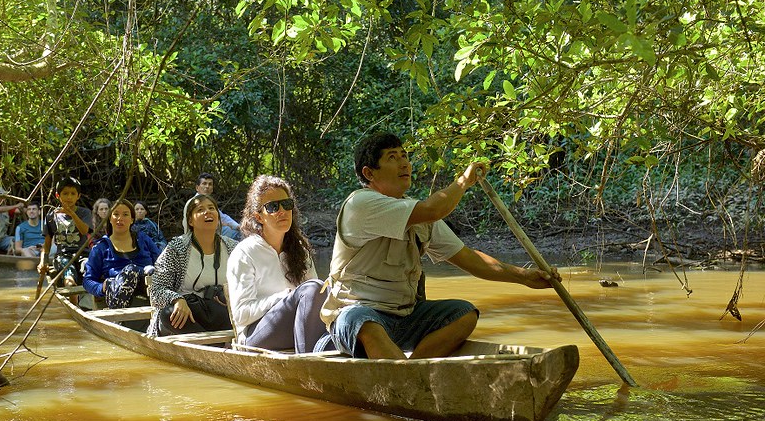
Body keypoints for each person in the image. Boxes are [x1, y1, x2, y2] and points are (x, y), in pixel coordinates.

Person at [320, 132, 560, 359]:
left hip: (405, 317)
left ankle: (414, 371)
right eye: (392, 158)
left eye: (404, 155)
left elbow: (470, 259)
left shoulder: (418, 216)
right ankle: (404, 378)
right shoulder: (360, 204)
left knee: (463, 314)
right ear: (369, 173)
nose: (404, 164)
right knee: (365, 322)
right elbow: (434, 208)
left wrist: (525, 277)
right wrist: (464, 181)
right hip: (354, 316)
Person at [227, 175, 329, 353]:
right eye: (273, 207)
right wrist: (282, 298)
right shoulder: (244, 253)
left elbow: (316, 298)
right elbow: (241, 315)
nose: (282, 211)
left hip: (297, 328)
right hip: (256, 335)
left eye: (287, 204)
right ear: (258, 216)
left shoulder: (300, 251)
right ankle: (309, 367)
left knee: (322, 293)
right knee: (312, 289)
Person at [148, 194, 238, 336]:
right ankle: (215, 346)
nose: (207, 212)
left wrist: (229, 297)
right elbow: (157, 290)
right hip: (188, 313)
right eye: (200, 209)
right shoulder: (177, 248)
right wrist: (177, 299)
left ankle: (214, 345)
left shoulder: (233, 248)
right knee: (168, 314)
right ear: (190, 220)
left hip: (219, 312)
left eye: (211, 208)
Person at [83, 199, 163, 309]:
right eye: (116, 214)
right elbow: (88, 281)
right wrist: (102, 287)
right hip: (118, 301)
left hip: (148, 295)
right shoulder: (101, 247)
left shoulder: (143, 239)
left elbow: (161, 264)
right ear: (110, 218)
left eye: (125, 214)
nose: (120, 218)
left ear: (132, 219)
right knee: (131, 271)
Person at [38, 177, 93, 287]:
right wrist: (43, 261)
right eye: (65, 193)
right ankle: (73, 301)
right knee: (69, 280)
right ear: (58, 196)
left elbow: (84, 231)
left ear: (78, 196)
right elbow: (47, 244)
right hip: (62, 256)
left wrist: (71, 213)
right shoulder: (51, 216)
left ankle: (93, 298)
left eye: (73, 194)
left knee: (90, 270)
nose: (69, 197)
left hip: (83, 254)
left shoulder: (85, 212)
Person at [182, 173, 241, 240]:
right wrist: (220, 224)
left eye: (210, 184)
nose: (207, 186)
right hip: (197, 238)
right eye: (204, 183)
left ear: (212, 189)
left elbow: (223, 217)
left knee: (240, 230)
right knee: (232, 232)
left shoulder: (208, 202)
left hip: (212, 234)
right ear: (197, 188)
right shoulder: (193, 202)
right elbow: (201, 224)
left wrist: (238, 226)